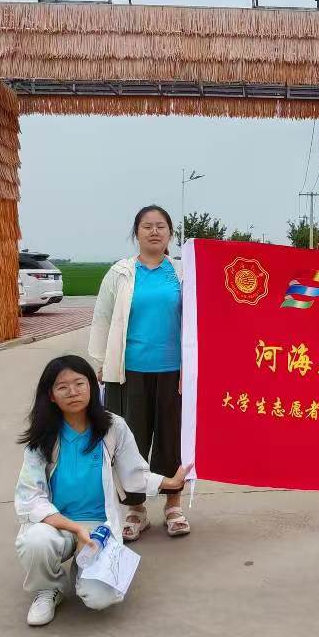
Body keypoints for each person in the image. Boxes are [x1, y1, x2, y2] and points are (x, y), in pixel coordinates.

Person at [14, 354, 189, 627]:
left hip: (100, 526)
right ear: (50, 396)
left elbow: (134, 473)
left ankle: (83, 571)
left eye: (79, 383)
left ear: (92, 387)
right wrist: (75, 529)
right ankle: (48, 588)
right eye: (62, 387)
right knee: (37, 542)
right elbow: (30, 498)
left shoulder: (112, 426)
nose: (72, 392)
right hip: (57, 524)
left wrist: (171, 482)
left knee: (100, 598)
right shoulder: (43, 436)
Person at [88, 205, 188, 540]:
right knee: (130, 441)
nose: (155, 232)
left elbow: (198, 320)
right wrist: (102, 360)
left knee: (173, 440)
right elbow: (102, 318)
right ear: (136, 233)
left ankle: (174, 505)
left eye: (161, 226)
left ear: (170, 234)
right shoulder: (120, 273)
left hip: (174, 372)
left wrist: (194, 369)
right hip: (129, 371)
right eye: (147, 226)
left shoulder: (182, 273)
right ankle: (136, 509)